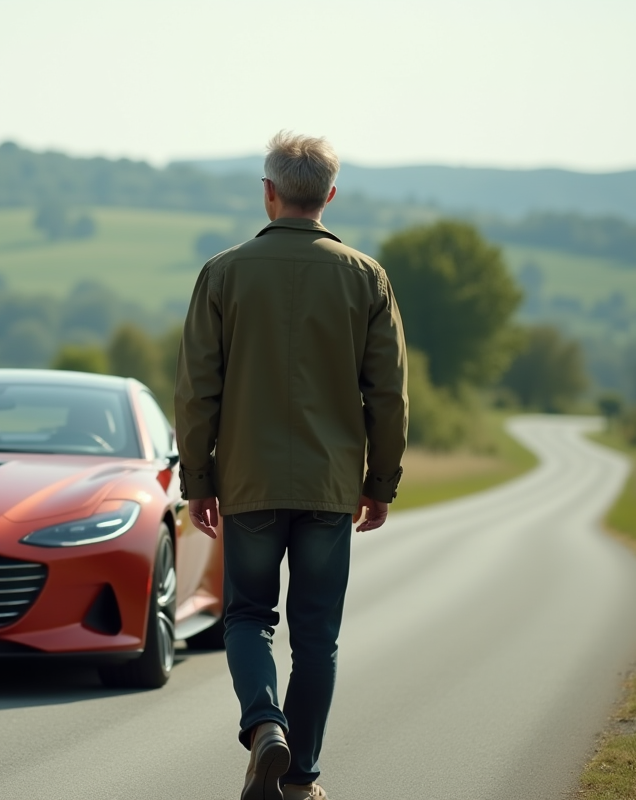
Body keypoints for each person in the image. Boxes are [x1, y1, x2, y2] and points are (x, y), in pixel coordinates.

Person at [174, 131, 408, 800]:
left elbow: (197, 391)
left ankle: (263, 723)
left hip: (247, 482)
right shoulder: (367, 277)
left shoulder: (222, 273)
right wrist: (380, 483)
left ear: (269, 192)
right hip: (331, 488)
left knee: (247, 617)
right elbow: (388, 394)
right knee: (316, 637)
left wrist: (198, 480)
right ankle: (302, 779)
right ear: (329, 195)